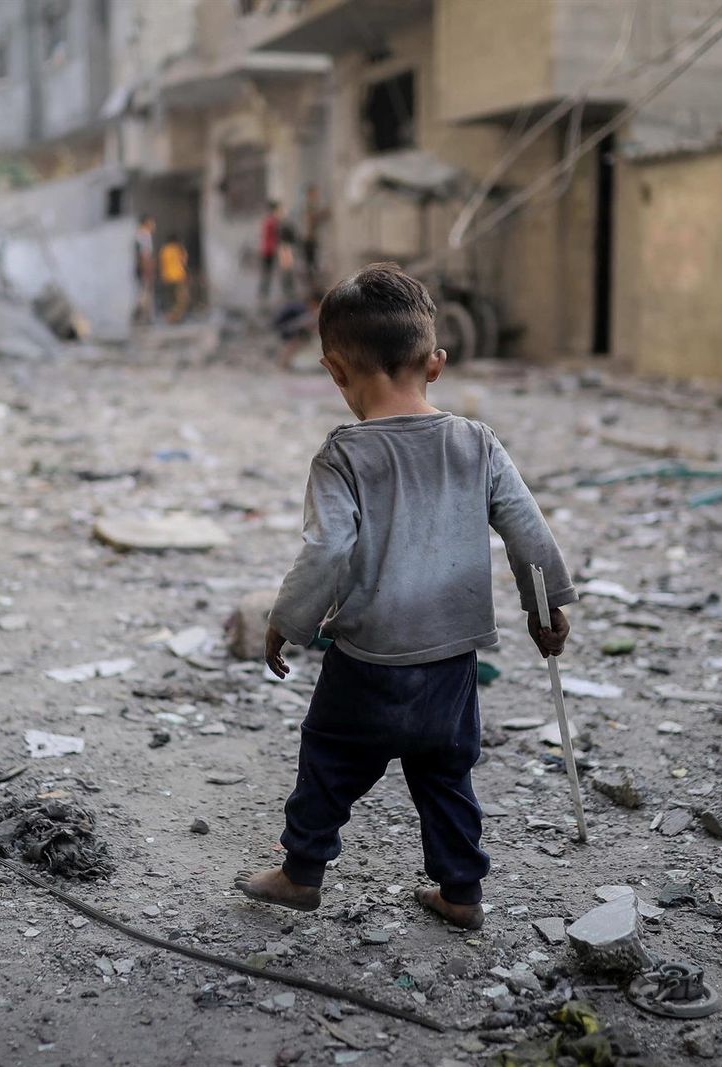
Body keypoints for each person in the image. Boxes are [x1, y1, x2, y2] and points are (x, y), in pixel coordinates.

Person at [233, 263, 574, 930]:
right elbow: (527, 532)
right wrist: (545, 607)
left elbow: (327, 550)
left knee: (328, 761)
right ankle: (461, 892)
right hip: (452, 660)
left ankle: (301, 872)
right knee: (446, 776)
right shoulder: (476, 443)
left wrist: (288, 621)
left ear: (335, 369)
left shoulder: (341, 455)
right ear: (436, 363)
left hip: (368, 657)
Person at [271, 288, 322, 369]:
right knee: (293, 343)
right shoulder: (303, 309)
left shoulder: (302, 307)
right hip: (286, 326)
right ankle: (282, 364)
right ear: (314, 302)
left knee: (294, 343)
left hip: (287, 326)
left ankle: (284, 363)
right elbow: (301, 323)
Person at [159, 234, 190, 323]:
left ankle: (171, 317)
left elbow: (161, 264)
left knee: (170, 299)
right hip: (178, 276)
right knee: (182, 299)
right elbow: (184, 261)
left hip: (167, 278)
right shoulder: (179, 248)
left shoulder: (164, 250)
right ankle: (176, 317)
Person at [300, 184, 327, 286]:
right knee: (310, 259)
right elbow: (310, 218)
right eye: (315, 193)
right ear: (310, 194)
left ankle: (312, 279)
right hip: (308, 237)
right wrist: (322, 214)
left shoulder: (310, 204)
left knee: (311, 258)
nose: (317, 195)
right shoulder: (309, 204)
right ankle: (312, 281)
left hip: (309, 236)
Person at [257, 201, 284, 303]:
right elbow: (275, 235)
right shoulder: (272, 221)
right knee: (269, 272)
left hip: (267, 250)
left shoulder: (268, 220)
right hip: (270, 250)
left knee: (267, 272)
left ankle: (263, 292)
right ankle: (264, 293)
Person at [134, 215, 157, 324]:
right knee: (144, 293)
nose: (154, 226)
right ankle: (139, 316)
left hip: (141, 268)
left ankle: (146, 317)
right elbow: (144, 255)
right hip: (143, 269)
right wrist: (147, 270)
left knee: (145, 293)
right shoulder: (144, 235)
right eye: (152, 223)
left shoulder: (140, 234)